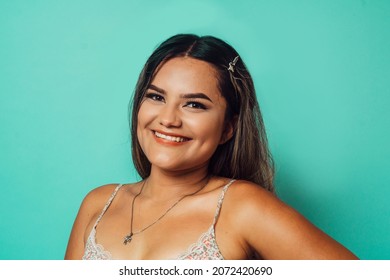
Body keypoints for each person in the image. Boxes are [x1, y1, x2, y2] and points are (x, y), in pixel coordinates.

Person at [65, 34, 358, 260]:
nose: (167, 119)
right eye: (156, 97)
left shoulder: (243, 207)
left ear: (228, 127)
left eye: (194, 104)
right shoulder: (98, 203)